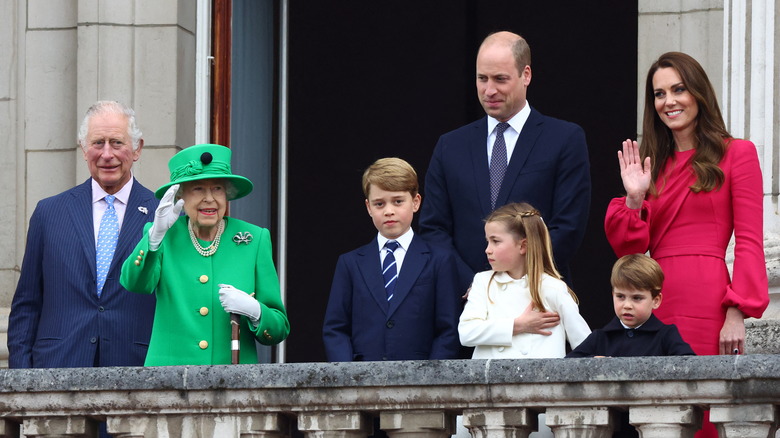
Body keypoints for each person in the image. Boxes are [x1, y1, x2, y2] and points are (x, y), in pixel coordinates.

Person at [605, 52, 769, 437]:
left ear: (698, 93)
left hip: (708, 299)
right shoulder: (651, 166)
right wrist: (633, 198)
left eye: (678, 89)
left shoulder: (737, 153)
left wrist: (736, 311)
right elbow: (629, 248)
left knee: (704, 413)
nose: (669, 101)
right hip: (657, 298)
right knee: (657, 411)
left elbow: (749, 241)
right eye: (660, 94)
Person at [420, 31, 591, 297]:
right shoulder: (449, 146)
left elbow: (567, 226)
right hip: (466, 304)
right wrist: (476, 285)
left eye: (500, 79)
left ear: (526, 75)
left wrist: (517, 283)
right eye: (482, 78)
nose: (489, 90)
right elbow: (434, 227)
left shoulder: (564, 139)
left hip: (537, 299)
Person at [8, 100, 158, 369]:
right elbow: (27, 303)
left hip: (137, 372)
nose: (107, 154)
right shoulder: (49, 212)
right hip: (57, 368)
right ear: (83, 149)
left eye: (117, 143)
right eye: (98, 143)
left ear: (137, 149)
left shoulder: (164, 216)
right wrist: (21, 378)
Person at [120, 144, 290, 365]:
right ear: (180, 195)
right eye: (198, 188)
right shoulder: (163, 235)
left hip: (233, 384)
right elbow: (134, 283)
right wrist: (154, 236)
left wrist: (255, 311)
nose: (209, 198)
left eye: (218, 188)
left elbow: (278, 329)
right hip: (169, 380)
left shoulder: (254, 239)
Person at [323, 157, 461, 362]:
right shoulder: (350, 263)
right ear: (368, 207)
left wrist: (432, 381)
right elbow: (335, 328)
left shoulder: (440, 260)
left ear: (416, 202)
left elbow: (448, 330)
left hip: (421, 380)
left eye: (398, 201)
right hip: (361, 380)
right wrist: (348, 377)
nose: (389, 211)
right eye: (379, 204)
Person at [459, 202, 591, 359]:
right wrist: (518, 325)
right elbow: (466, 333)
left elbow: (584, 343)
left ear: (523, 246)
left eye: (496, 241)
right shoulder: (483, 282)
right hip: (490, 382)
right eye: (488, 241)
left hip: (539, 382)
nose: (487, 249)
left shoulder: (552, 288)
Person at [566, 254, 695, 358]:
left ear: (656, 300)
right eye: (620, 297)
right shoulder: (601, 337)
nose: (627, 305)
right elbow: (567, 365)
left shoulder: (666, 335)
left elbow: (689, 365)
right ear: (612, 295)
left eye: (637, 298)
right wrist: (592, 363)